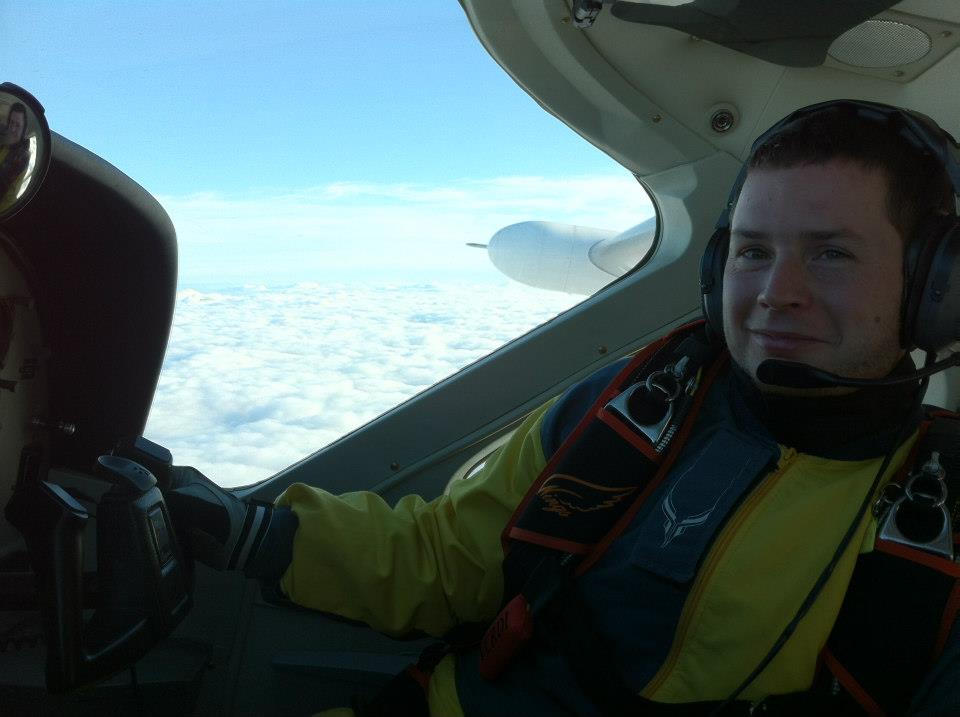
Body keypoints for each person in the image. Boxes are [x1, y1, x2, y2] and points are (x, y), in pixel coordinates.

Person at [159, 100, 960, 716]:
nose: (775, 292)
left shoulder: (945, 513)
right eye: (753, 250)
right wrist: (256, 533)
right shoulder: (634, 403)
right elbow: (452, 559)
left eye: (831, 253)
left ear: (933, 289)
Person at [0, 102, 30, 213]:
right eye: (11, 123)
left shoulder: (23, 160)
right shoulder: (2, 144)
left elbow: (10, 200)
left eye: (17, 125)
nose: (12, 129)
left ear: (23, 131)